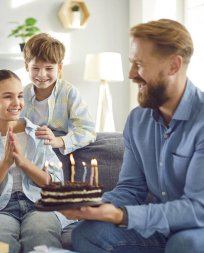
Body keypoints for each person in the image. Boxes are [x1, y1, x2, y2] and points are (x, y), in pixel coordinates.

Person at [61, 19, 204, 253]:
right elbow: (131, 189)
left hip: (197, 229)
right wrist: (96, 205)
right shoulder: (138, 121)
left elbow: (198, 209)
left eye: (138, 64)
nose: (130, 74)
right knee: (87, 232)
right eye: (131, 63)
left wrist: (121, 215)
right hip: (160, 227)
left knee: (183, 244)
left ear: (173, 66)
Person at [0, 55, 72, 253]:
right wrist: (5, 164)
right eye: (7, 96)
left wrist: (23, 164)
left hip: (40, 204)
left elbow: (56, 187)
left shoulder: (38, 133)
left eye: (20, 95)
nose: (16, 102)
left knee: (40, 232)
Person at [21, 33, 96, 175]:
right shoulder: (21, 94)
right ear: (26, 66)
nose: (42, 74)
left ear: (59, 67)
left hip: (58, 158)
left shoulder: (69, 92)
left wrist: (58, 141)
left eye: (49, 68)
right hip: (27, 159)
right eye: (35, 68)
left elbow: (87, 130)